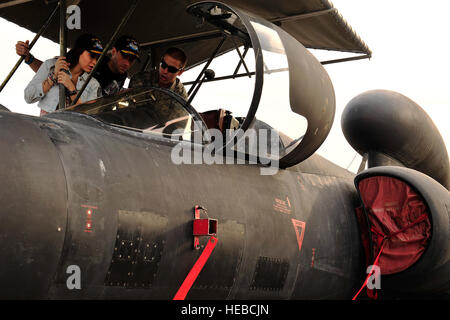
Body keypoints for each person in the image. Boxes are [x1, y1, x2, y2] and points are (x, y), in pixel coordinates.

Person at [17, 35, 140, 96]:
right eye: (124, 57)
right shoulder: (93, 64)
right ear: (113, 51)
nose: (127, 63)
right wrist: (29, 58)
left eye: (132, 60)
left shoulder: (122, 76)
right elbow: (54, 70)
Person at [24, 33, 103, 116]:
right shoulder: (50, 65)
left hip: (71, 128)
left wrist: (71, 88)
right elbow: (28, 97)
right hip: (44, 126)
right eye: (92, 56)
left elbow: (90, 118)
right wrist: (53, 78)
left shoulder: (93, 84)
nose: (94, 62)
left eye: (97, 58)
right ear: (80, 50)